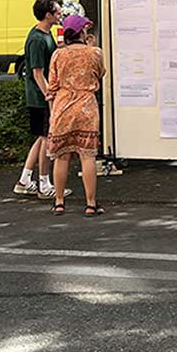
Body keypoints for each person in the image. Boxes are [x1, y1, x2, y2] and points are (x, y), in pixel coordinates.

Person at [47, 14, 106, 216]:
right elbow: (100, 73)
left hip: (63, 106)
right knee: (87, 156)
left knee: (62, 156)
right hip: (86, 107)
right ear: (82, 31)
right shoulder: (95, 53)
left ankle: (59, 202)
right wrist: (92, 46)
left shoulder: (58, 55)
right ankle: (91, 204)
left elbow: (52, 85)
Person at [13, 0, 70, 200]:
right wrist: (50, 97)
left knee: (41, 136)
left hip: (40, 96)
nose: (60, 14)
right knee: (47, 139)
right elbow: (37, 73)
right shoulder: (37, 39)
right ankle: (44, 185)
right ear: (48, 15)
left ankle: (24, 180)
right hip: (40, 97)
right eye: (57, 11)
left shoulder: (45, 34)